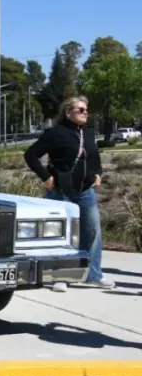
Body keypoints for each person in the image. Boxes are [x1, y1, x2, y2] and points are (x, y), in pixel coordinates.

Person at [23, 95, 115, 291]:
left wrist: (98, 174)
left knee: (92, 231)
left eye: (86, 110)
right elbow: (30, 155)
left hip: (85, 191)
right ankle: (60, 277)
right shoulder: (55, 133)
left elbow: (93, 156)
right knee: (63, 234)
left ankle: (93, 275)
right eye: (80, 110)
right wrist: (46, 177)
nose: (85, 113)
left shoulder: (88, 133)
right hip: (61, 192)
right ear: (68, 112)